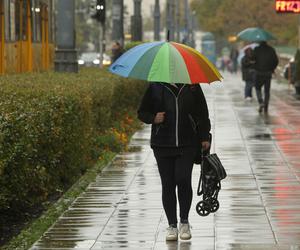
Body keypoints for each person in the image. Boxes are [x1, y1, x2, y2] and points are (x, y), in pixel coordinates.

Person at [137, 83, 211, 241]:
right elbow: (142, 112)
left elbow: (202, 112)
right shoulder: (156, 86)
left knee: (183, 179)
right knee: (168, 183)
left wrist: (205, 136)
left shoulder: (192, 86)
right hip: (162, 144)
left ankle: (184, 222)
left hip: (188, 142)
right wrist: (153, 118)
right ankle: (172, 225)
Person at [253, 41, 278, 114]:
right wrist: (272, 69)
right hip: (268, 73)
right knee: (267, 91)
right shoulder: (271, 49)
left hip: (258, 72)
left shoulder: (256, 49)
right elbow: (276, 61)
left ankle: (261, 102)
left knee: (257, 88)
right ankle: (266, 106)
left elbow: (253, 58)